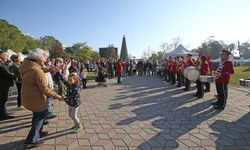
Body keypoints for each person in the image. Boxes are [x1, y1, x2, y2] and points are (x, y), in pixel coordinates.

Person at [20, 48, 63, 148]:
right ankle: (31, 140)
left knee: (36, 116)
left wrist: (50, 69)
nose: (45, 60)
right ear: (38, 58)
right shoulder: (37, 71)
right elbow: (45, 90)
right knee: (40, 117)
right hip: (37, 99)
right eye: (44, 57)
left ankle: (38, 132)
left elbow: (38, 69)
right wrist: (58, 96)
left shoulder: (26, 66)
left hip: (29, 97)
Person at [0, 50, 16, 120]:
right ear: (1, 55)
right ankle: (2, 115)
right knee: (2, 99)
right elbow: (6, 74)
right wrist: (15, 76)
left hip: (4, 84)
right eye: (6, 55)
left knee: (3, 100)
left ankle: (3, 113)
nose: (7, 57)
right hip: (2, 85)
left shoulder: (2, 63)